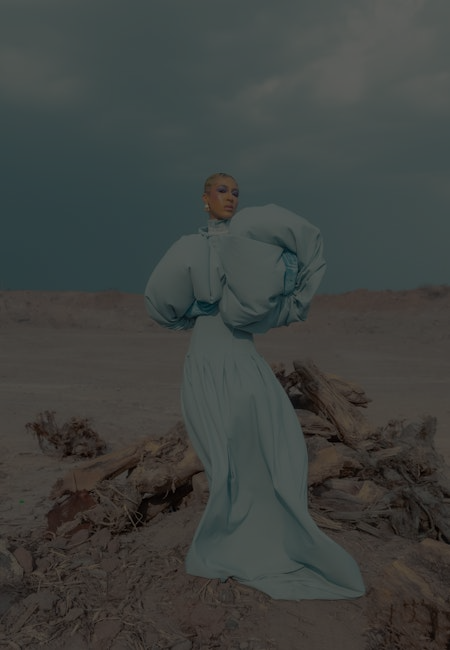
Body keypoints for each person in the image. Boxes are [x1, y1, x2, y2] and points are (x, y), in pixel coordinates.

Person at [144, 172, 365, 600]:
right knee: (224, 455)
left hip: (239, 361)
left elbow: (265, 301)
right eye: (222, 190)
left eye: (236, 192)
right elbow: (164, 304)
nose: (230, 197)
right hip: (205, 361)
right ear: (204, 198)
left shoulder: (251, 245)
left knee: (260, 450)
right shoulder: (192, 248)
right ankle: (235, 540)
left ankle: (259, 541)